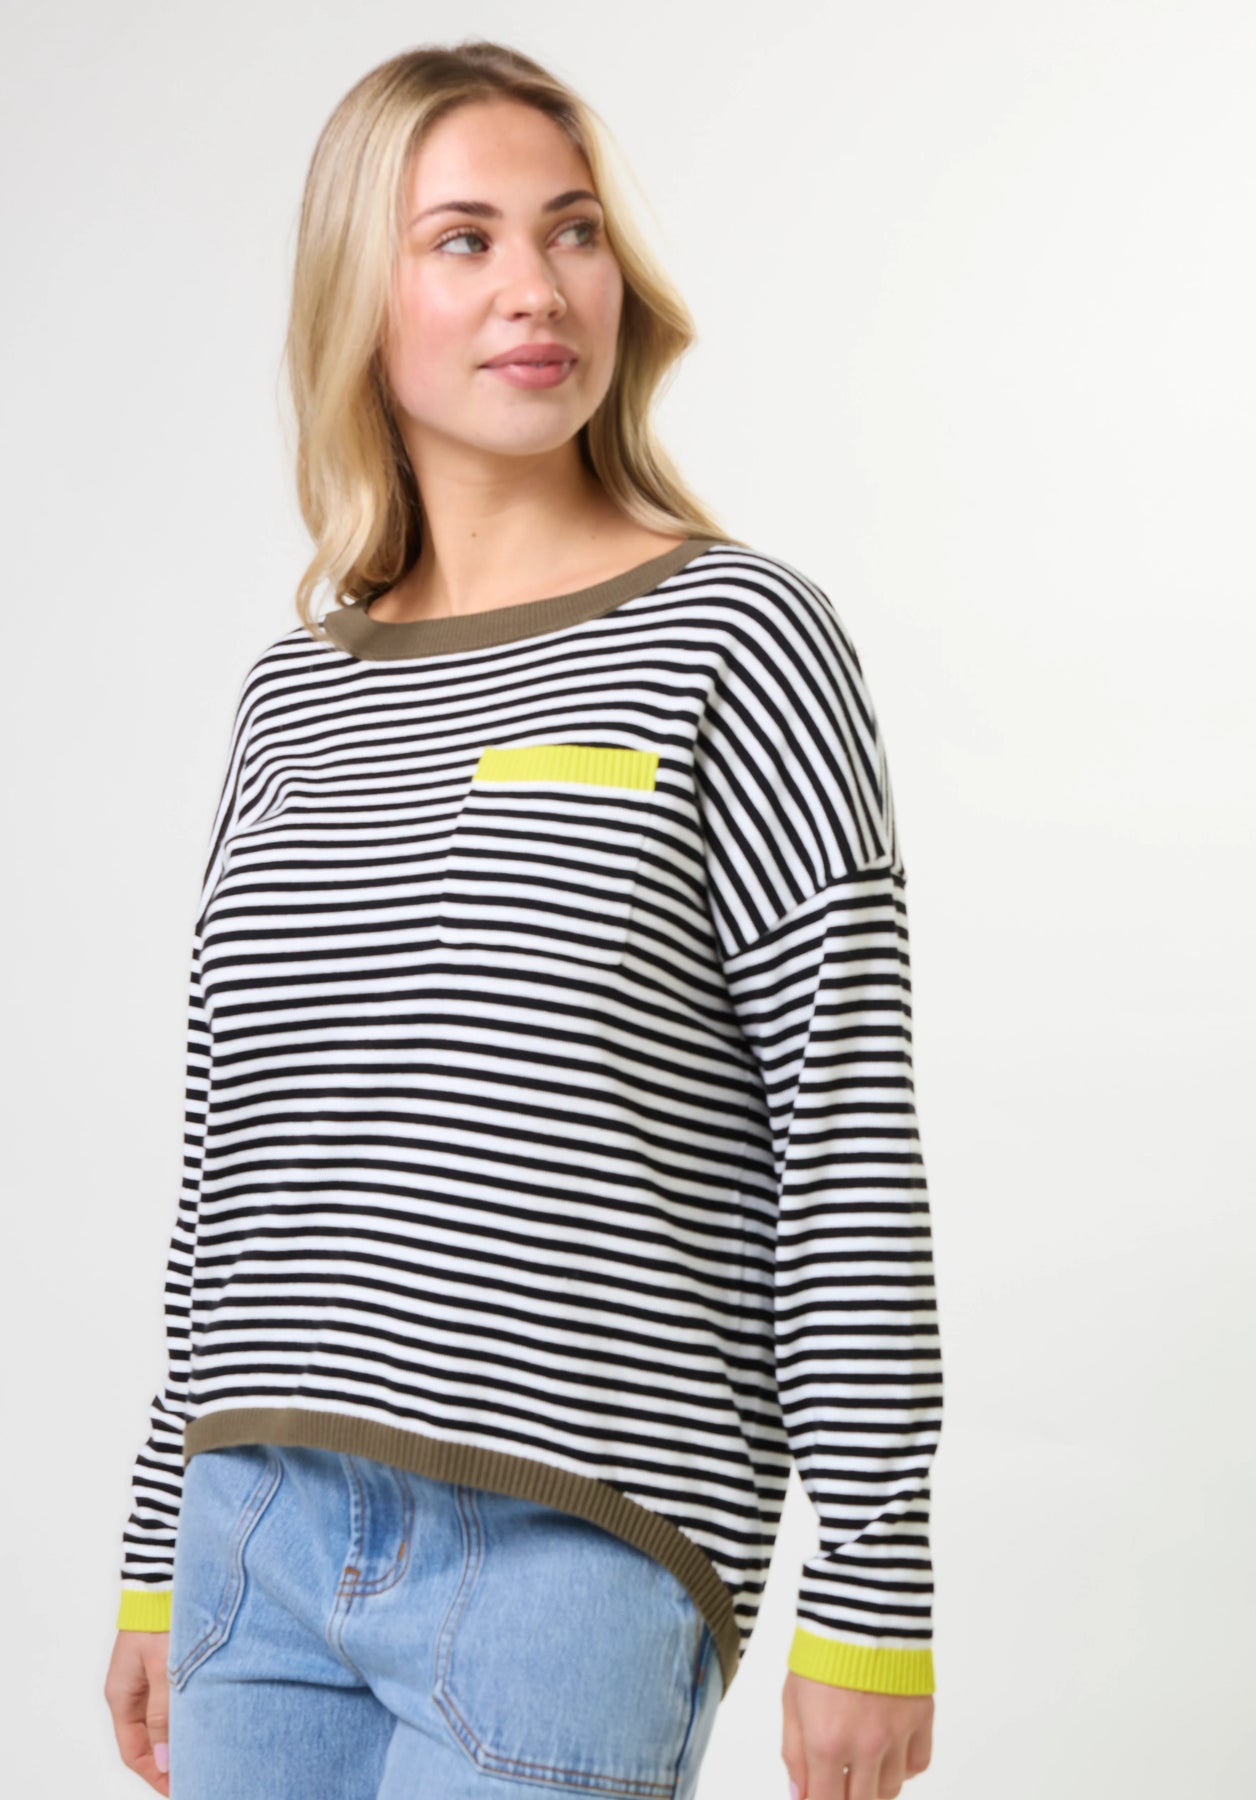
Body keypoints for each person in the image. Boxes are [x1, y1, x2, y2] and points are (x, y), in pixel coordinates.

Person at [103, 37, 943, 1800]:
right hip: (256, 1535)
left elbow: (845, 1139)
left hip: (571, 1553)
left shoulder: (736, 637)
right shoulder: (294, 693)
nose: (539, 287)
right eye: (463, 240)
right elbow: (233, 1155)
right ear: (361, 297)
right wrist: (152, 1547)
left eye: (572, 231)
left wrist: (872, 1599)